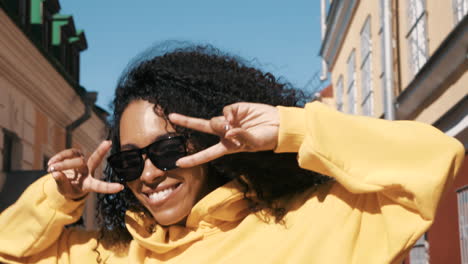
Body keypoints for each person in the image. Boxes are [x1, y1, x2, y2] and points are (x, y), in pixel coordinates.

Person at [0, 44, 464, 264]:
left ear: (205, 146)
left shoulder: (311, 227)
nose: (147, 174)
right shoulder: (112, 255)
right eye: (127, 161)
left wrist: (291, 128)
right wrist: (59, 198)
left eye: (164, 149)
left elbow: (434, 158)